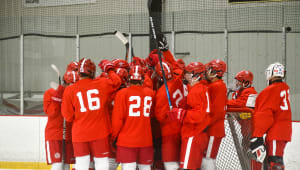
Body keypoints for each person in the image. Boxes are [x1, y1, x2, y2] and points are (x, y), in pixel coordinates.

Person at [61, 58, 121, 170]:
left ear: (78, 72)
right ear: (93, 72)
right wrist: (109, 69)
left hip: (80, 133)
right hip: (100, 132)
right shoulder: (102, 83)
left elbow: (68, 117)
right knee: (101, 163)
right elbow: (117, 81)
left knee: (81, 165)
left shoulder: (70, 90)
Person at [168, 62, 211, 170]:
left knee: (187, 167)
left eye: (188, 72)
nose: (185, 74)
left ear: (196, 76)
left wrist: (180, 113)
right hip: (198, 134)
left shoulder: (196, 91)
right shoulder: (198, 88)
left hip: (193, 134)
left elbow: (198, 115)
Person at [112, 65, 155, 170]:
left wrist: (113, 136)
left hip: (126, 140)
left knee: (128, 167)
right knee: (145, 167)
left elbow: (117, 119)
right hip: (146, 139)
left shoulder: (122, 93)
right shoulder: (150, 93)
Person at [250, 62, 292, 170]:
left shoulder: (270, 90)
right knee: (274, 160)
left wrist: (257, 135)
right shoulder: (285, 88)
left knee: (274, 162)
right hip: (284, 131)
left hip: (276, 133)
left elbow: (265, 115)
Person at [44, 70, 78, 170]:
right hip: (54, 135)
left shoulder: (75, 94)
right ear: (66, 83)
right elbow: (51, 113)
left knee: (67, 165)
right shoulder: (50, 93)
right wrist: (58, 97)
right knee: (58, 165)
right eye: (71, 84)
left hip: (68, 135)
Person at [154, 61, 184, 170]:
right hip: (181, 126)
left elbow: (160, 117)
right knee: (180, 161)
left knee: (170, 163)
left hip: (169, 131)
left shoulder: (162, 92)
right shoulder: (178, 81)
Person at [203, 59, 227, 170]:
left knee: (208, 160)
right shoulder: (215, 85)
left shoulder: (218, 86)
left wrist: (205, 124)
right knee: (206, 158)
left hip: (214, 129)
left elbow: (218, 112)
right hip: (212, 127)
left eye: (209, 69)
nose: (207, 72)